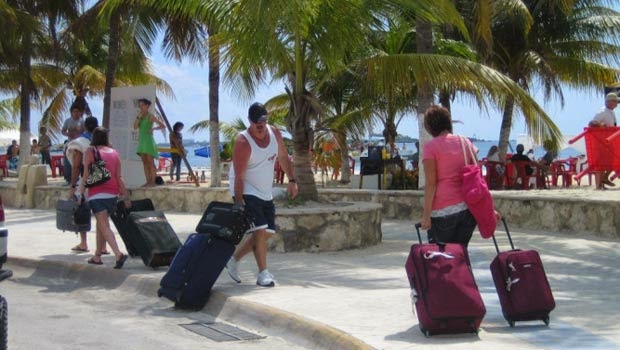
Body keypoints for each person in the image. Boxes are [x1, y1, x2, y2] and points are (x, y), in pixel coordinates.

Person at [225, 102, 298, 287]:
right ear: (250, 122)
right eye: (257, 125)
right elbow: (239, 176)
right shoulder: (243, 142)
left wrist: (292, 180)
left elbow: (283, 157)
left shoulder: (275, 134)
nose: (261, 129)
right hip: (246, 188)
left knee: (267, 233)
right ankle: (263, 273)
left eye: (263, 124)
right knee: (259, 230)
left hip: (265, 190)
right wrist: (239, 203)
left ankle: (233, 260)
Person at [420, 105, 499, 247]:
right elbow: (478, 178)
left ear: (430, 127)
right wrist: (489, 208)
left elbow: (431, 184)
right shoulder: (465, 142)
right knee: (460, 256)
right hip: (467, 210)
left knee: (441, 260)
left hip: (442, 211)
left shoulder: (430, 148)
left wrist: (426, 216)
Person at [76, 126, 129, 268]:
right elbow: (119, 177)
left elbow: (86, 175)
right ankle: (97, 256)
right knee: (101, 225)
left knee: (104, 226)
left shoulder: (90, 151)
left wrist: (80, 192)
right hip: (113, 195)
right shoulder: (114, 153)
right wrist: (126, 196)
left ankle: (118, 254)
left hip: (97, 194)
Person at [67, 116, 103, 253]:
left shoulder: (80, 143)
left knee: (82, 210)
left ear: (85, 127)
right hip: (101, 180)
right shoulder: (102, 141)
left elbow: (76, 166)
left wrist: (72, 185)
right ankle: (103, 247)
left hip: (86, 180)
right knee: (101, 214)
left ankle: (83, 243)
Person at [133, 98, 165, 187]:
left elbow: (163, 125)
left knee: (150, 162)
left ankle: (153, 182)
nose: (140, 107)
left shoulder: (150, 116)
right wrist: (138, 117)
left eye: (142, 105)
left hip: (148, 141)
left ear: (147, 106)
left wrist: (153, 129)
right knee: (144, 162)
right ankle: (148, 181)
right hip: (141, 141)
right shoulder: (140, 116)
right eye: (139, 105)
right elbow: (135, 127)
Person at [590, 92, 618, 189]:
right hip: (602, 142)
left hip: (609, 142)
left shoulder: (611, 112)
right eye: (615, 102)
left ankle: (604, 180)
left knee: (611, 162)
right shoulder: (603, 111)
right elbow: (592, 123)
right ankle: (599, 185)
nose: (617, 104)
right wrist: (602, 126)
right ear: (610, 102)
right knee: (601, 163)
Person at [62, 105, 85, 185]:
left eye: (78, 112)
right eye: (74, 112)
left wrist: (79, 134)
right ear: (71, 113)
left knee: (79, 162)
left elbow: (85, 132)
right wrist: (68, 134)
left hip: (80, 144)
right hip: (70, 143)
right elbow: (63, 131)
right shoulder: (67, 121)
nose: (76, 113)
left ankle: (79, 178)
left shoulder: (82, 121)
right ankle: (68, 179)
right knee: (67, 160)